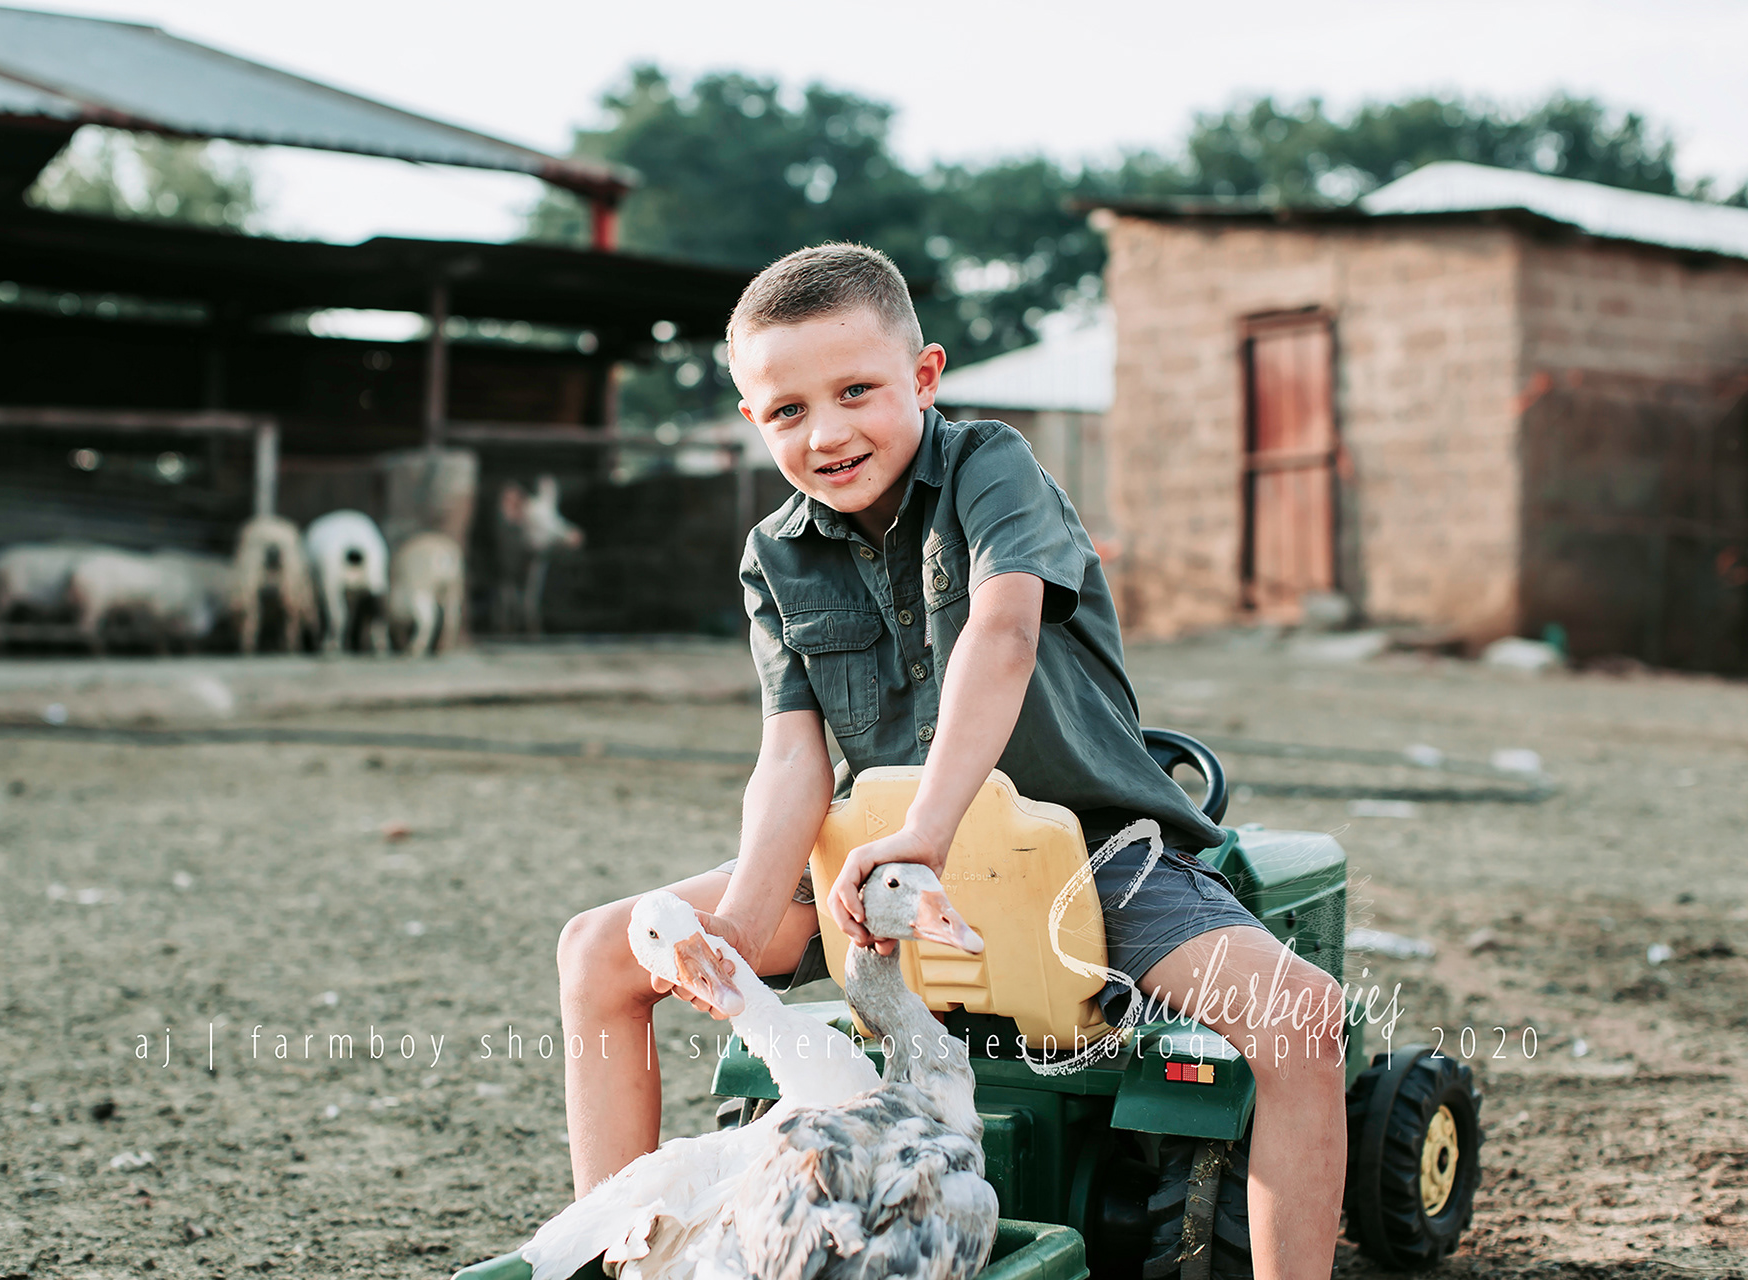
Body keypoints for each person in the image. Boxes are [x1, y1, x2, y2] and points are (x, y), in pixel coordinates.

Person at [554, 244, 1345, 1279]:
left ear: (924, 376)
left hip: (1086, 852)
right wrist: (742, 926)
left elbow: (1002, 634)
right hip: (872, 865)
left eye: (856, 391)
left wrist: (928, 832)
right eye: (788, 410)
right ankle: (615, 1256)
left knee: (1304, 1018)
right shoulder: (773, 555)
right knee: (597, 950)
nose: (827, 432)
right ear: (753, 420)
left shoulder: (990, 467)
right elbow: (791, 756)